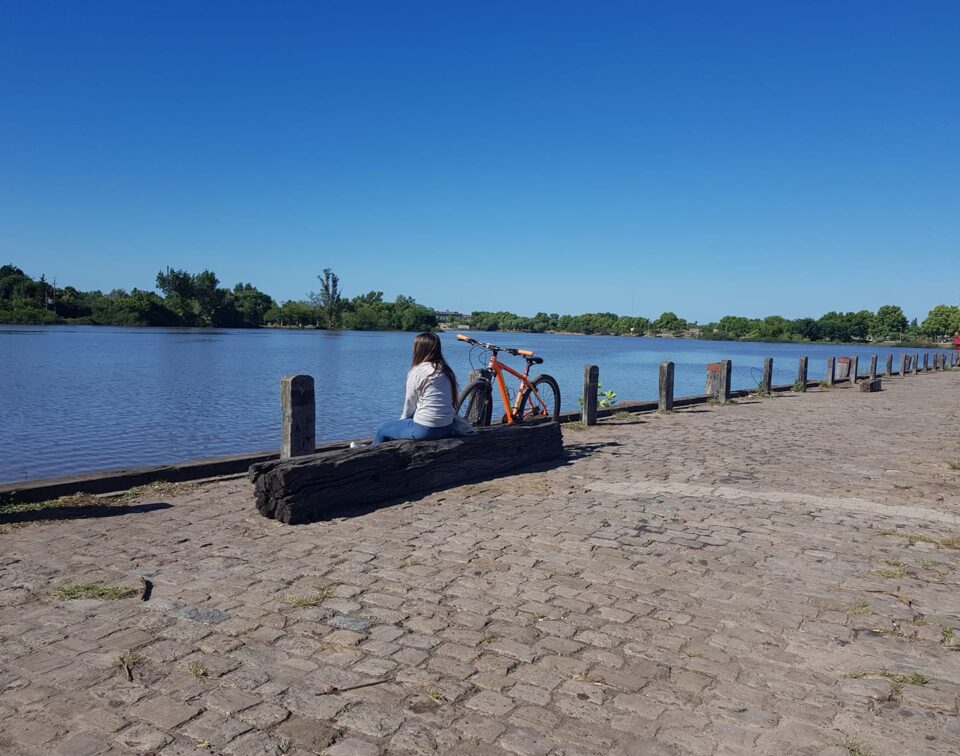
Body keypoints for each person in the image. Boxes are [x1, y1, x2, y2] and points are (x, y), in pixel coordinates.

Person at [371, 332, 459, 444]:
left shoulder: (417, 371)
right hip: (448, 426)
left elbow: (410, 403)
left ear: (419, 350)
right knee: (397, 428)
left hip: (426, 430)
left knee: (382, 429)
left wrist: (403, 420)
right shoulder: (446, 370)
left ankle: (372, 452)